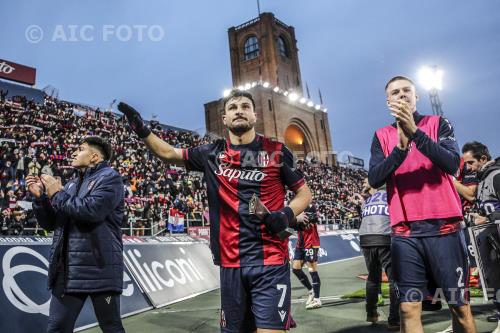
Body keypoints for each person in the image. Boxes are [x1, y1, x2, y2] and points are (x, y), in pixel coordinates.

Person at [118, 89, 312, 333]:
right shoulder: (211, 153)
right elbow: (168, 153)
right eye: (232, 108)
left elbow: (304, 194)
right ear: (224, 120)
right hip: (230, 264)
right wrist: (142, 129)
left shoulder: (278, 151)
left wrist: (285, 214)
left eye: (244, 106)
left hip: (270, 261)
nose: (238, 110)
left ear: (255, 115)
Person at [368, 76, 476, 333]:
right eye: (395, 92)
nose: (402, 95)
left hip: (445, 227)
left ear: (417, 97)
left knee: (459, 306)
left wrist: (415, 134)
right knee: (408, 308)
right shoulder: (381, 135)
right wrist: (400, 149)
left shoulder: (438, 123)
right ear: (388, 102)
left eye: (407, 90)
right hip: (405, 233)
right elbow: (374, 178)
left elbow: (452, 163)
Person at [26, 136, 126, 333]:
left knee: (111, 327)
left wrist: (56, 193)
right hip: (67, 272)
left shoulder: (110, 178)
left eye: (80, 149)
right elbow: (53, 223)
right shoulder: (71, 184)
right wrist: (41, 200)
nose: (73, 152)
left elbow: (92, 211)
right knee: (56, 328)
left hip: (100, 271)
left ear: (94, 157)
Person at [462, 141, 500, 333]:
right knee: (495, 283)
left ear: (483, 159)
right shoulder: (483, 178)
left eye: (470, 163)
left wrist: (487, 217)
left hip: (497, 240)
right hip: (491, 242)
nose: (468, 168)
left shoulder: (496, 176)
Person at [358, 178, 399, 330]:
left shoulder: (369, 199)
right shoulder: (392, 195)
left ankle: (371, 313)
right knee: (394, 279)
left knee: (373, 278)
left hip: (366, 239)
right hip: (384, 237)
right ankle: (394, 319)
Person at [292, 203, 322, 310]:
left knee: (312, 270)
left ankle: (317, 300)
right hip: (301, 243)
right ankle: (311, 291)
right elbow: (293, 224)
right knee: (295, 269)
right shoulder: (295, 206)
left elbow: (313, 218)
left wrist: (298, 218)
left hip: (311, 241)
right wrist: (295, 219)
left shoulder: (310, 205)